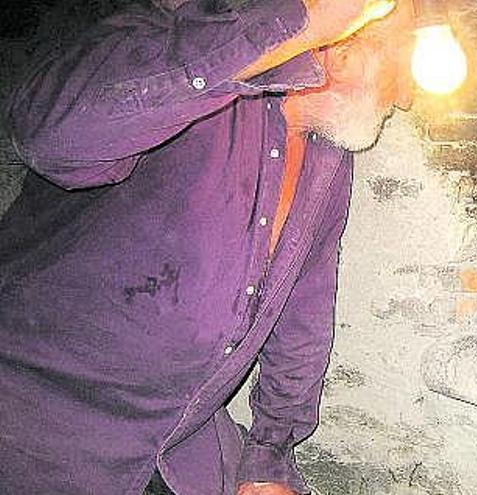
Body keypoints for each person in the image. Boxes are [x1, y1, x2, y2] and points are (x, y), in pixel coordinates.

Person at [0, 0, 415, 493]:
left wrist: (268, 455)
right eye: (403, 63)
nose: (407, 97)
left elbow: (302, 314)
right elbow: (47, 136)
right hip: (35, 425)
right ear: (343, 48)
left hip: (179, 439)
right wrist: (291, 22)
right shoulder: (174, 44)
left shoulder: (328, 161)